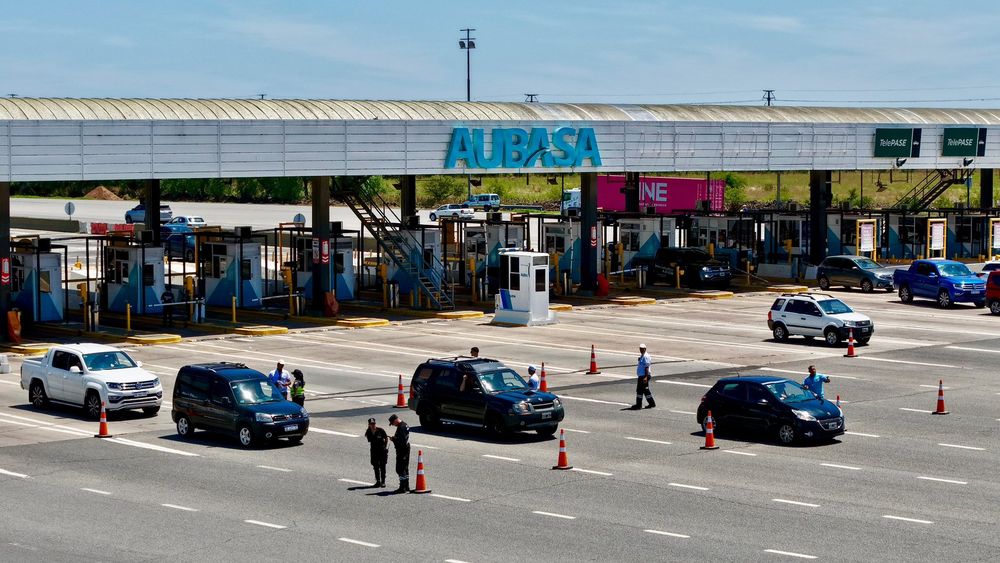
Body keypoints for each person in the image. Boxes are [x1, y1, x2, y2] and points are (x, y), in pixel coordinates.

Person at [388, 414, 411, 493]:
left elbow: (401, 441)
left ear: (395, 420)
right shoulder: (405, 425)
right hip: (406, 449)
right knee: (405, 468)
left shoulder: (401, 427)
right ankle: (407, 486)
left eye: (392, 423)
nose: (393, 425)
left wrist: (394, 439)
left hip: (402, 450)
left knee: (400, 469)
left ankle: (402, 487)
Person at [365, 417, 389, 488]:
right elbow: (370, 440)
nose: (373, 425)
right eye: (371, 424)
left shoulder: (380, 430)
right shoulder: (368, 432)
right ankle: (378, 481)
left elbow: (386, 438)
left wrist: (385, 447)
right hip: (374, 451)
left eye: (374, 423)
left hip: (382, 450)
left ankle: (383, 481)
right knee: (375, 466)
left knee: (382, 466)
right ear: (369, 424)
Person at [631, 344, 656, 410]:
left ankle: (639, 405)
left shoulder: (645, 356)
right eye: (640, 348)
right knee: (645, 390)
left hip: (644, 376)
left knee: (639, 390)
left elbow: (646, 367)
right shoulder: (643, 356)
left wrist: (645, 377)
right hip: (642, 376)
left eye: (642, 348)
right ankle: (652, 403)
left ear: (645, 349)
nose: (641, 350)